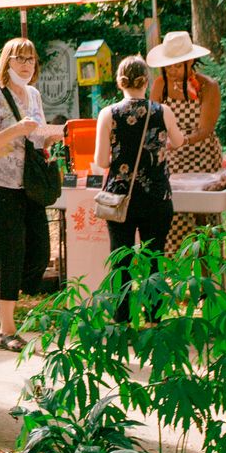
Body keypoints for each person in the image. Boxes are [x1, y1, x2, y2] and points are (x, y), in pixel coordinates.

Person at [93, 55, 185, 323]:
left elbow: (101, 161)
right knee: (154, 260)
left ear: (119, 82)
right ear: (146, 80)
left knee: (120, 261)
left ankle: (121, 320)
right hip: (156, 196)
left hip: (119, 198)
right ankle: (154, 318)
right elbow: (178, 142)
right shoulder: (162, 111)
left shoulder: (108, 114)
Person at [0, 37, 51, 353]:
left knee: (39, 254)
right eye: (19, 58)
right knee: (9, 255)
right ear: (6, 62)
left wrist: (51, 140)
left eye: (30, 59)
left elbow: (40, 133)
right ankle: (7, 330)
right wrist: (16, 131)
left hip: (30, 184)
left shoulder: (33, 94)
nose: (25, 64)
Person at [147, 31, 223, 252]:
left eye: (177, 66)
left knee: (204, 223)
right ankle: (178, 275)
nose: (172, 71)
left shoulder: (208, 86)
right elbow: (153, 121)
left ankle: (207, 276)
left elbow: (206, 129)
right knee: (174, 218)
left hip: (203, 159)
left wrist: (181, 141)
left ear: (190, 61)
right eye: (168, 66)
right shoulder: (160, 85)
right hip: (173, 160)